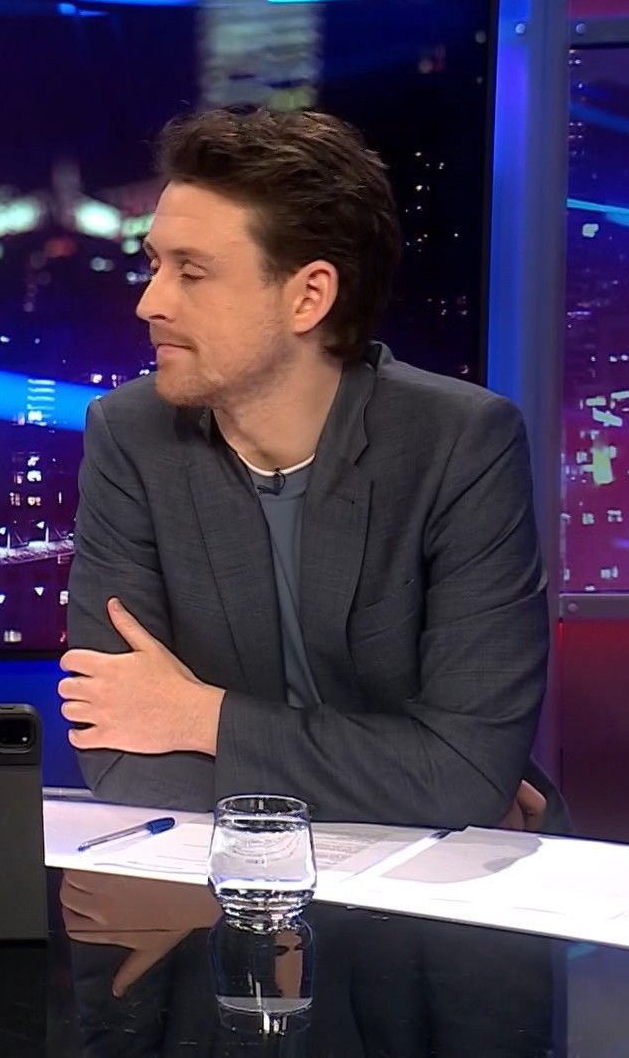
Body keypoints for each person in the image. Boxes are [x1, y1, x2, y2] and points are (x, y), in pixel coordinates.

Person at [60, 106, 561, 830]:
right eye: (154, 266)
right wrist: (410, 783)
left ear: (308, 296)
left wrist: (202, 718)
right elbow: (119, 751)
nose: (150, 302)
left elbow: (464, 775)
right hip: (217, 882)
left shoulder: (460, 444)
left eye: (191, 273)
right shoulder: (130, 436)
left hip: (441, 887)